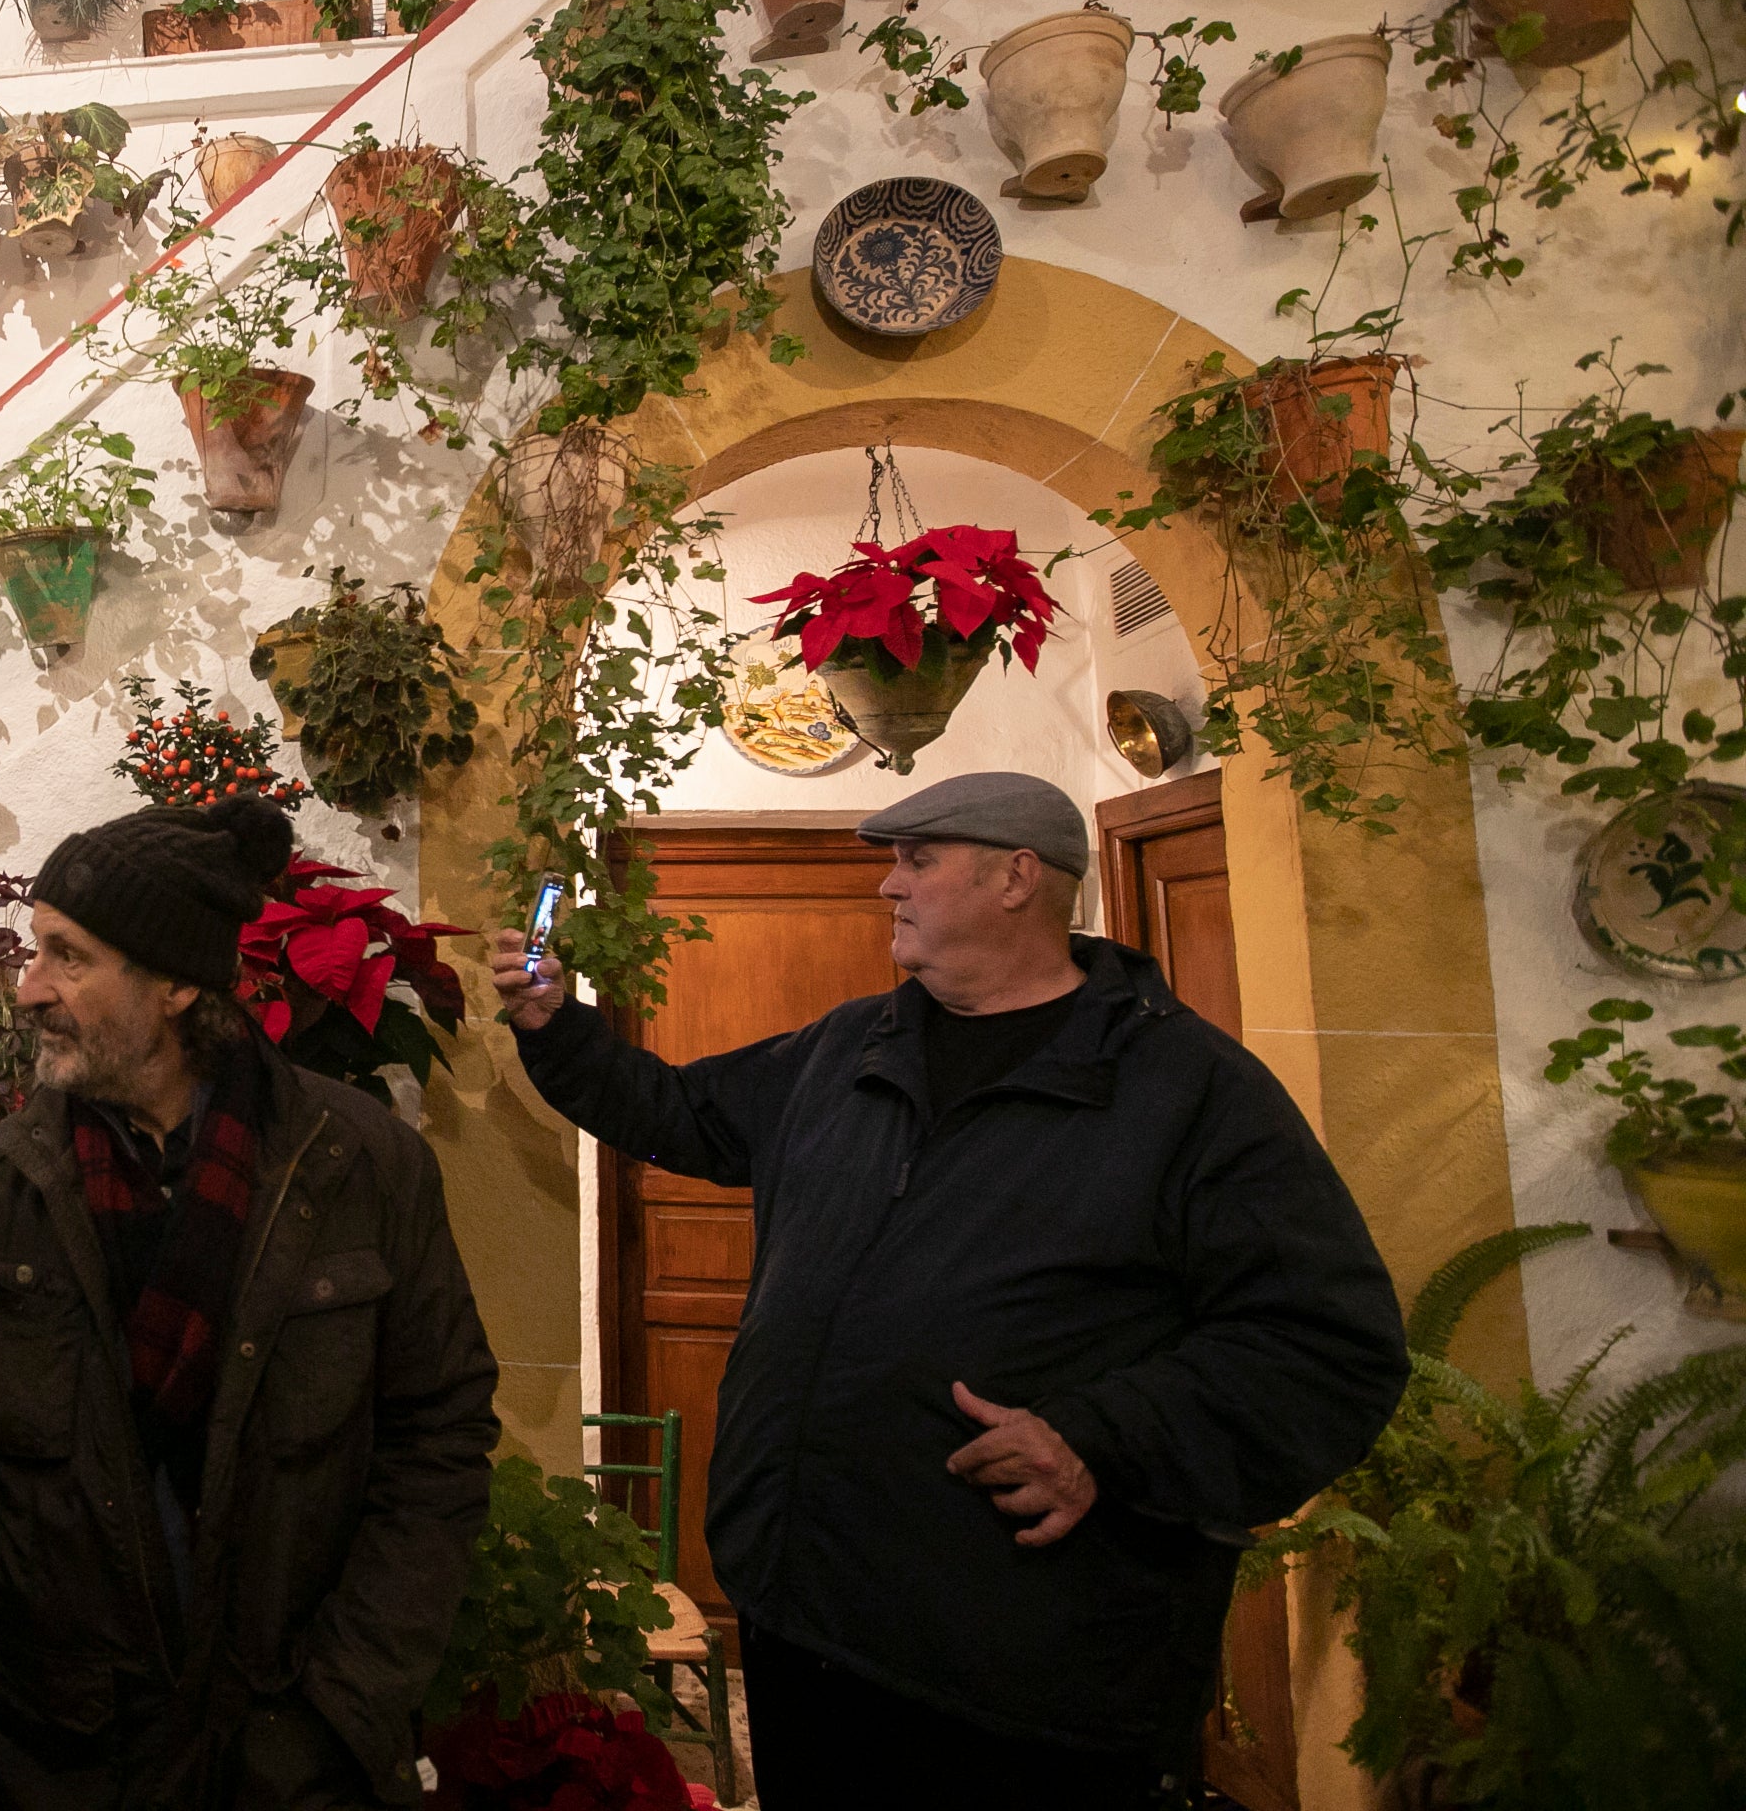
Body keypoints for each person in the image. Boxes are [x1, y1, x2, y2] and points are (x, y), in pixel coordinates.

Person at [490, 771, 1410, 1809]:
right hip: (808, 1620)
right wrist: (556, 1026)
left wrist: (1101, 1436)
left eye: (918, 860)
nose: (890, 886)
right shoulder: (851, 1046)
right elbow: (683, 1112)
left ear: (1018, 876)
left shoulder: (1188, 1090)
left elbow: (1330, 1345)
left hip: (1021, 1668)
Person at [0, 799, 500, 1811]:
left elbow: (438, 1445)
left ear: (173, 984)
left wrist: (344, 1706)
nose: (28, 990)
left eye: (67, 956)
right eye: (34, 951)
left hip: (293, 1758)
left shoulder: (360, 1168)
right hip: (53, 1762)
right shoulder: (1, 1187)